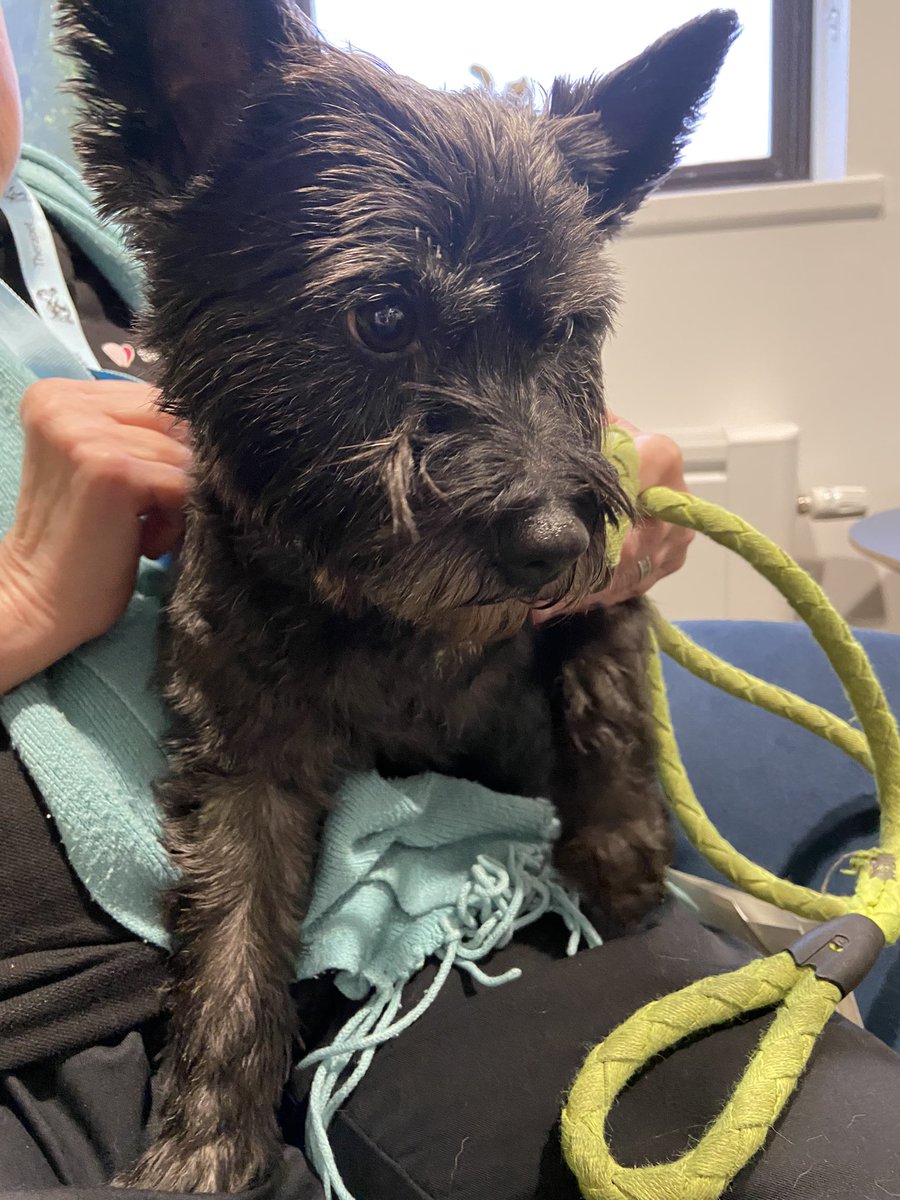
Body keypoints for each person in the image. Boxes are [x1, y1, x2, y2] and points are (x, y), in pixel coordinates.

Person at [1, 11, 900, 1200]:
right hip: (102, 959)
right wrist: (19, 598)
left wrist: (621, 533)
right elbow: (246, 781)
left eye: (561, 330)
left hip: (495, 827)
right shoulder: (214, 179)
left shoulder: (84, 231)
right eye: (383, 320)